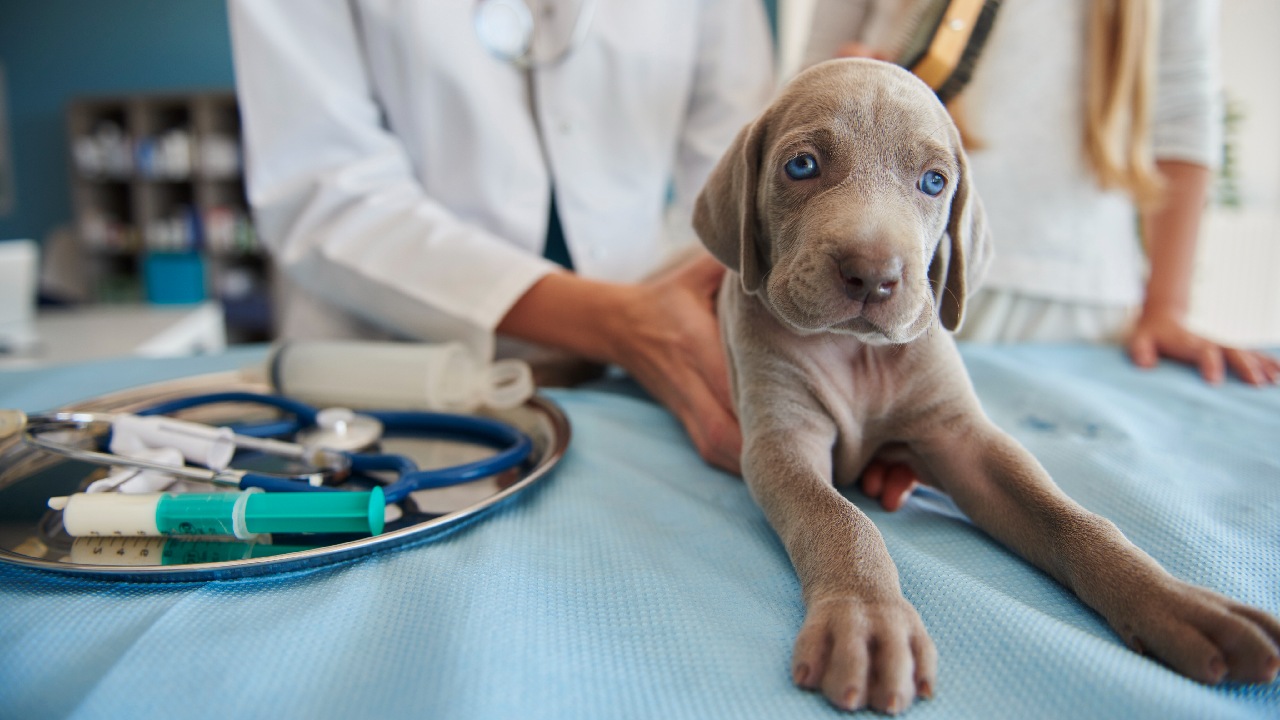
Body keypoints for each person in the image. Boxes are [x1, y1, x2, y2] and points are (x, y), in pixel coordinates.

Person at [227, 0, 776, 473]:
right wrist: (623, 323)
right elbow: (323, 189)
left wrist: (699, 312)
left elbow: (737, 166)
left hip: (647, 372)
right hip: (398, 377)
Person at [803, 0, 1279, 510]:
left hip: (1079, 307)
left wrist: (1167, 308)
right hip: (900, 278)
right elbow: (809, 73)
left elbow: (1182, 109)